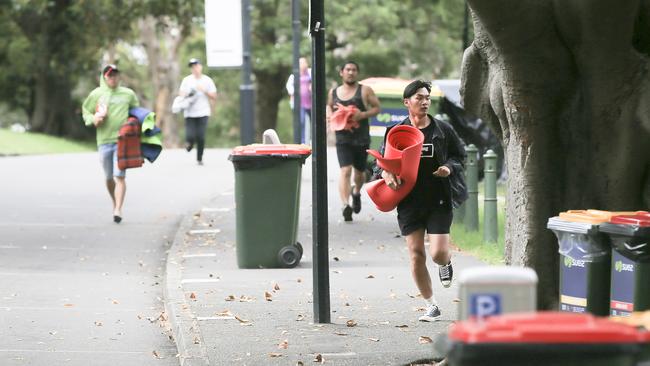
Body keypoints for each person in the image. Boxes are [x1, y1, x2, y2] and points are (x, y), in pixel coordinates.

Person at [378, 80, 467, 322]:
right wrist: (386, 174)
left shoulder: (443, 130)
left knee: (437, 253)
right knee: (416, 254)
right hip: (409, 201)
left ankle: (445, 262)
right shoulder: (395, 132)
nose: (425, 101)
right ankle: (431, 305)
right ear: (407, 102)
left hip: (438, 198)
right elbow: (382, 163)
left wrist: (448, 168)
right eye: (419, 97)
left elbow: (460, 156)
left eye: (427, 97)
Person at [82, 64, 140, 223]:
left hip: (123, 141)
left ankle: (118, 209)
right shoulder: (96, 94)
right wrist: (93, 119)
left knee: (119, 176)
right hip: (104, 141)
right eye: (110, 76)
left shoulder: (128, 94)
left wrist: (137, 126)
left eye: (115, 75)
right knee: (109, 177)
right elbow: (85, 111)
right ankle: (115, 202)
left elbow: (136, 113)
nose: (113, 78)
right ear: (104, 77)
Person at [326, 61, 381, 222]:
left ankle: (356, 192)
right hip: (342, 138)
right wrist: (330, 115)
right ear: (341, 73)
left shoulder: (365, 91)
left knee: (359, 173)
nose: (350, 72)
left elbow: (377, 108)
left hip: (361, 139)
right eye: (347, 70)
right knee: (345, 171)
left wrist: (361, 115)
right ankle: (345, 205)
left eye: (354, 70)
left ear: (357, 73)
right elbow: (329, 106)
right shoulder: (334, 92)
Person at [179, 58, 217, 165]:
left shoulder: (207, 80)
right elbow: (181, 94)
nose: (194, 68)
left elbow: (214, 96)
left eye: (196, 66)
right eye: (192, 67)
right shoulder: (187, 80)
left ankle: (199, 158)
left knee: (201, 136)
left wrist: (204, 90)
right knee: (190, 136)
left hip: (203, 112)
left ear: (200, 67)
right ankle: (189, 145)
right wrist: (188, 93)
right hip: (190, 112)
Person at [285, 57, 312, 143]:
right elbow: (289, 87)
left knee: (314, 121)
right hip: (299, 103)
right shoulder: (294, 76)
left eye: (304, 62)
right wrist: (294, 92)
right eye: (300, 63)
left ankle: (313, 139)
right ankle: (302, 141)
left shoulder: (310, 72)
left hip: (310, 102)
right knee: (302, 121)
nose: (302, 65)